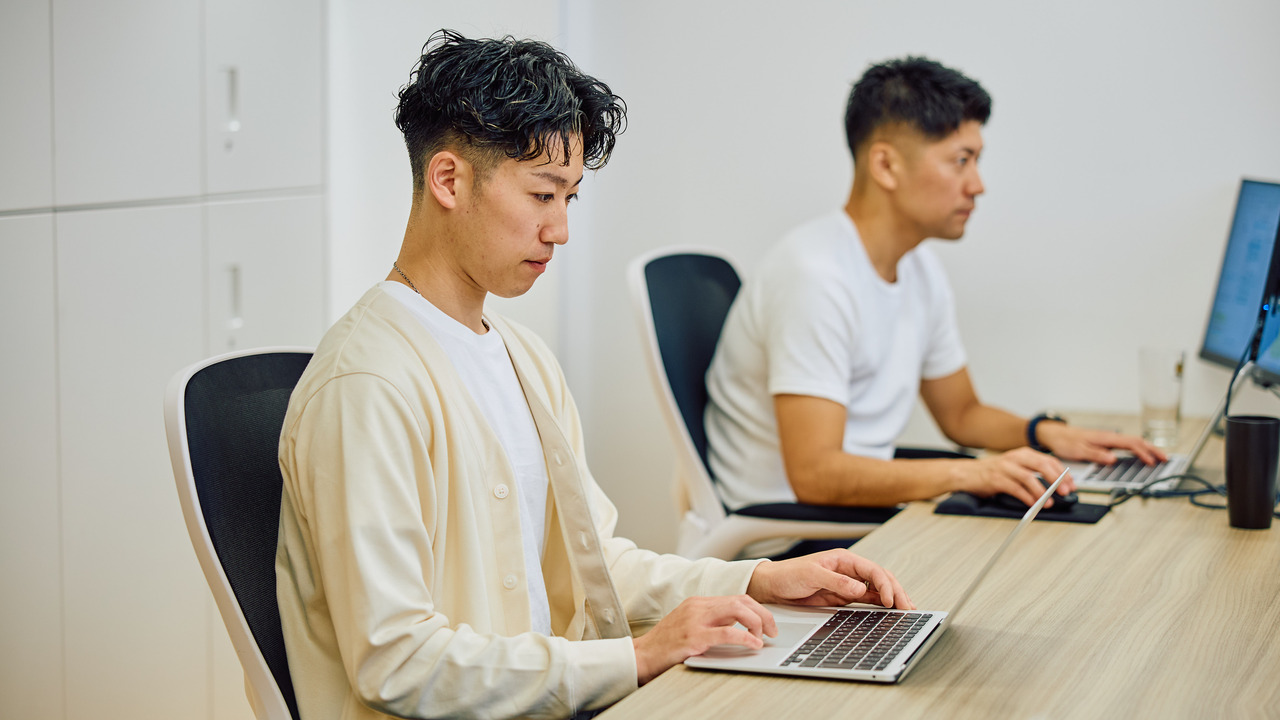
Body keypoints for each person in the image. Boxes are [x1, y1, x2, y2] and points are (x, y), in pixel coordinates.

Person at [275, 30, 912, 720]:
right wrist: (636, 658)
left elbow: (596, 566)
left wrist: (761, 580)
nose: (560, 231)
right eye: (543, 195)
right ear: (449, 180)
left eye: (569, 199)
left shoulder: (523, 359)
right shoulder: (367, 384)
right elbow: (395, 661)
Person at [705, 57, 1165, 556]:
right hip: (790, 538)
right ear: (886, 165)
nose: (978, 184)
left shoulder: (919, 269)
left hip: (856, 515)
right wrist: (971, 471)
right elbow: (816, 475)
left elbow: (961, 414)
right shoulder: (814, 276)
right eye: (961, 160)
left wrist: (1046, 434)